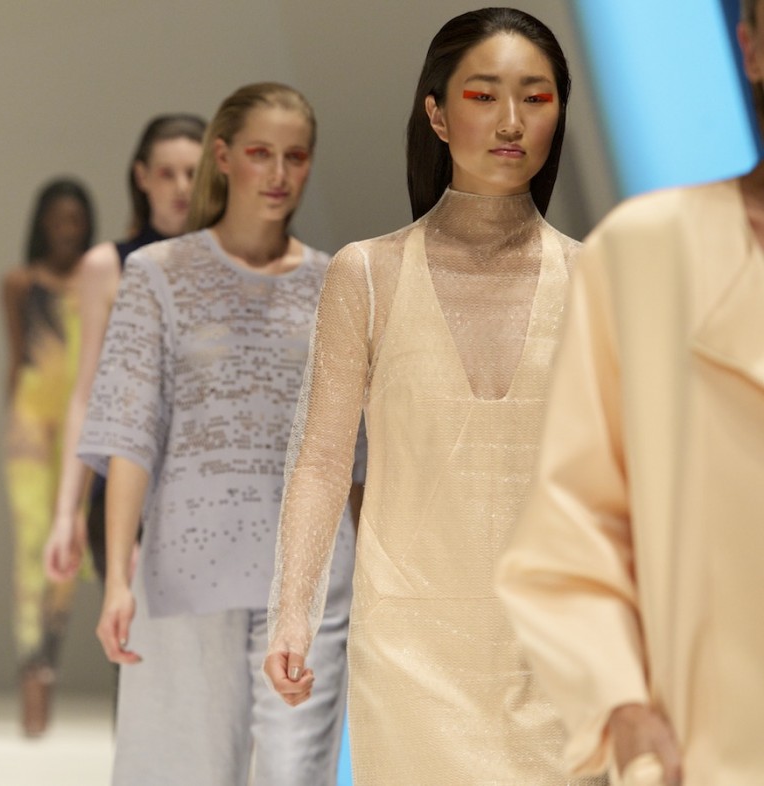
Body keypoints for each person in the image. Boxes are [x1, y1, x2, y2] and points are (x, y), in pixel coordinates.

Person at [264, 8, 604, 783]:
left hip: (559, 652)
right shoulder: (367, 275)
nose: (511, 121)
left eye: (537, 97)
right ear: (437, 115)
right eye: (483, 95)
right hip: (408, 655)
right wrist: (293, 613)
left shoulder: (600, 280)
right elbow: (322, 461)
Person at [495, 4, 764, 783]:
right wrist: (620, 704)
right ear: (750, 47)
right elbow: (572, 527)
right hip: (715, 749)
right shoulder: (646, 253)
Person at [80, 82, 359, 785]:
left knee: (296, 774)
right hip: (188, 566)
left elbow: (351, 454)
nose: (279, 173)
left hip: (310, 577)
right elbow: (131, 431)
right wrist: (118, 581)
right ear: (225, 157)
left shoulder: (338, 285)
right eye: (261, 153)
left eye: (296, 156)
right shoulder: (157, 275)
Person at [42, 114, 205, 585]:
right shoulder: (109, 265)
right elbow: (88, 394)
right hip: (127, 493)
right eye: (167, 173)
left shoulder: (234, 264)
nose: (182, 187)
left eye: (193, 173)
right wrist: (66, 512)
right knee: (134, 627)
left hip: (212, 490)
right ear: (142, 177)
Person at [0, 177, 94, 737]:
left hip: (80, 424)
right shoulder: (20, 283)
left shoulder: (97, 280)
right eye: (57, 219)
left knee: (69, 543)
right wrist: (11, 420)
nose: (66, 229)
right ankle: (31, 663)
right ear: (41, 223)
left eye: (74, 219)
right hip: (32, 422)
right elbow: (16, 358)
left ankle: (48, 658)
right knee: (33, 538)